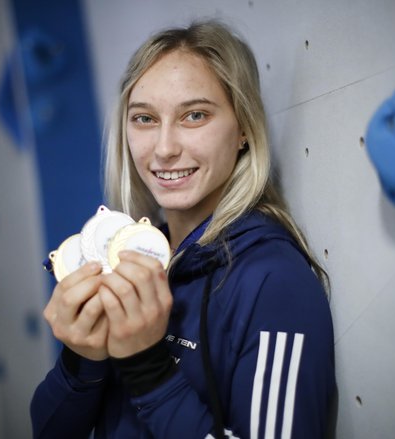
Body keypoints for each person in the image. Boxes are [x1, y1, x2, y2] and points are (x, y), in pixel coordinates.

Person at [31, 20, 336, 439]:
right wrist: (81, 359)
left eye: (195, 115)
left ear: (244, 128)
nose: (164, 148)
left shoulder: (274, 282)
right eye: (144, 118)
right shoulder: (132, 260)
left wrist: (147, 368)